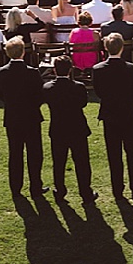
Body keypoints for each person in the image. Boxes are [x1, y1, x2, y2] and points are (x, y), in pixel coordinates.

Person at [92, 33, 133, 201]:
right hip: (129, 114)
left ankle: (117, 190)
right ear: (122, 48)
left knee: (114, 155)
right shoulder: (130, 68)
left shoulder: (98, 70)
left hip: (110, 116)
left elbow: (99, 92)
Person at [0, 37, 47, 197]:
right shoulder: (32, 72)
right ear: (23, 52)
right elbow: (40, 94)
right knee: (35, 153)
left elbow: (0, 94)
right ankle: (35, 187)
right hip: (31, 116)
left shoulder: (1, 72)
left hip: (12, 117)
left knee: (15, 153)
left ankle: (15, 188)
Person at [42, 55, 97, 204]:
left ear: (54, 70)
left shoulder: (48, 88)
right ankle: (86, 192)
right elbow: (83, 104)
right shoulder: (78, 87)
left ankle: (59, 191)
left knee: (58, 162)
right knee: (82, 162)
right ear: (70, 69)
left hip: (58, 129)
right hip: (77, 128)